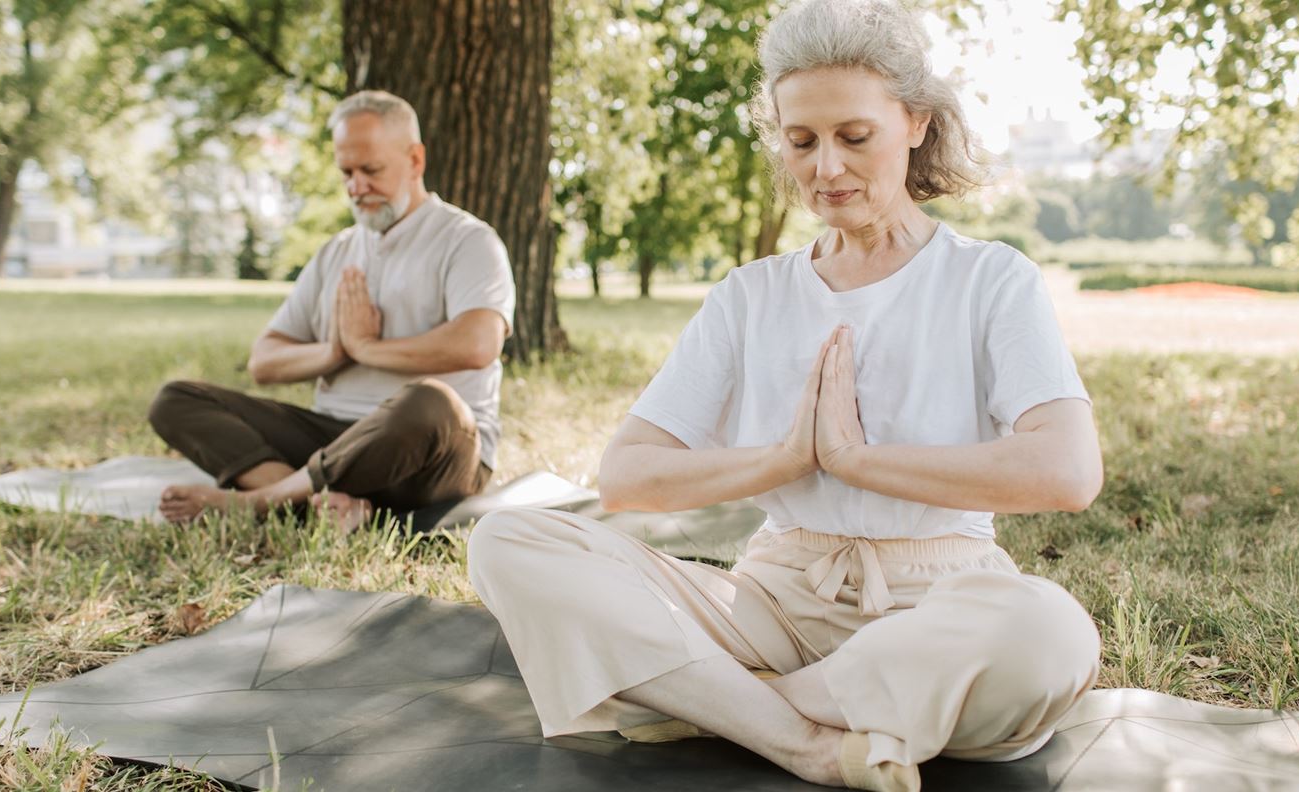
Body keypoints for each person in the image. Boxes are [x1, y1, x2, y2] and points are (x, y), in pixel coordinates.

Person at [466, 1, 1103, 790]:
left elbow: (1068, 473)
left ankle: (726, 704)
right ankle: (804, 742)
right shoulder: (750, 295)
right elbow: (628, 476)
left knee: (1049, 634)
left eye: (853, 137)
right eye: (801, 142)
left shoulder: (991, 280)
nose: (825, 169)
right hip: (768, 602)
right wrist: (783, 459)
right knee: (507, 543)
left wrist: (855, 460)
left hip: (938, 601)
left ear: (915, 122)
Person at [148, 90, 515, 531]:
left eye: (371, 170)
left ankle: (266, 501)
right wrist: (334, 353)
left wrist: (366, 347)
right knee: (177, 400)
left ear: (415, 160)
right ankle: (321, 505)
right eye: (347, 172)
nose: (356, 187)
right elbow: (263, 361)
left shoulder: (468, 240)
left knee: (430, 401)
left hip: (430, 454)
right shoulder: (335, 252)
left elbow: (477, 344)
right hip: (334, 437)